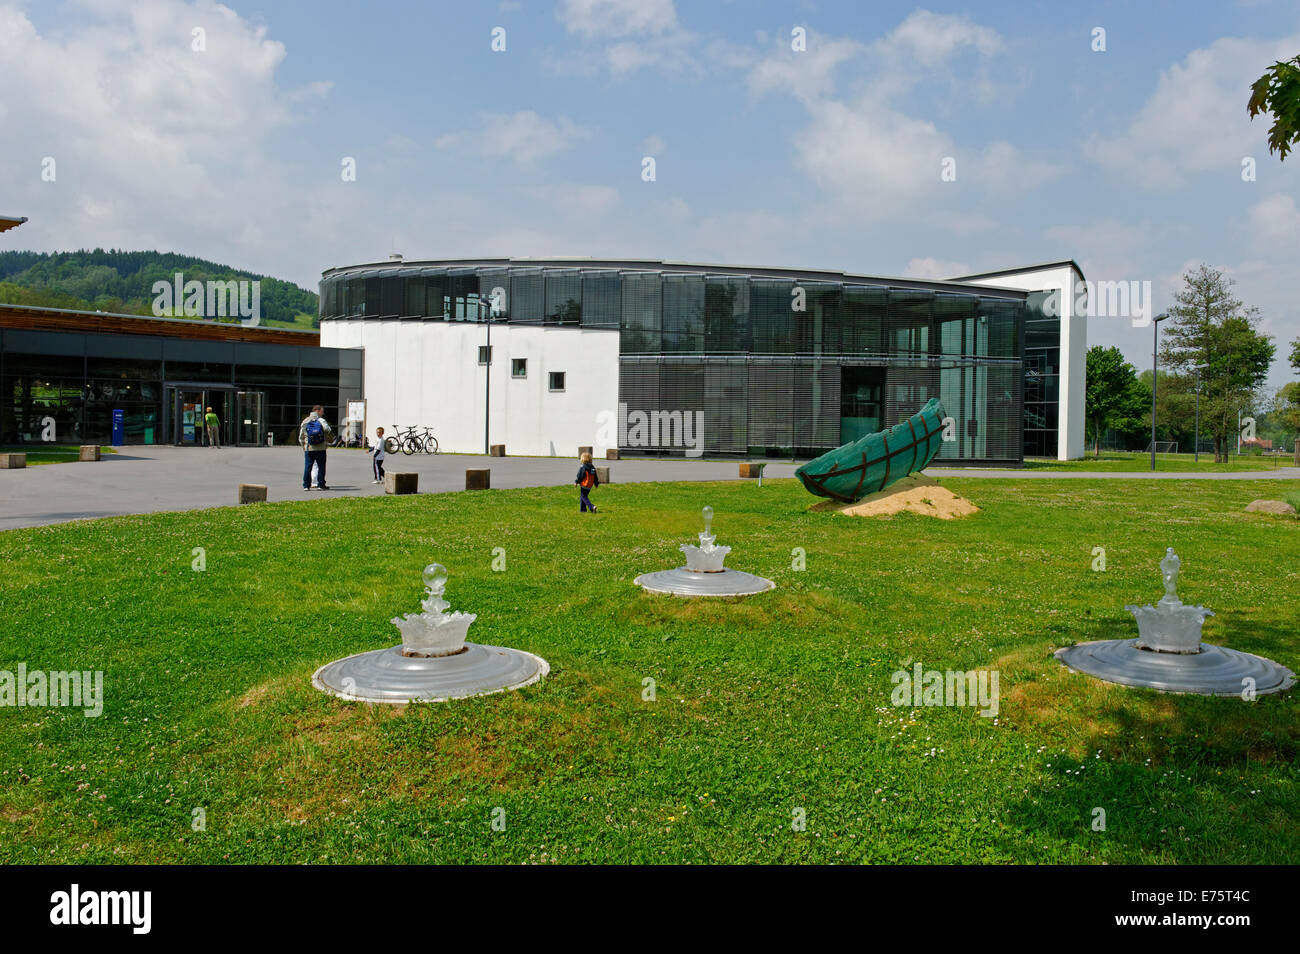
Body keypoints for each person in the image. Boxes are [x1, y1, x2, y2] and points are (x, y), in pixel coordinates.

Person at [298, 405, 334, 491]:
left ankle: (306, 485)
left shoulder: (305, 421)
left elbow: (301, 436)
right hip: (320, 448)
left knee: (308, 467)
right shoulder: (321, 420)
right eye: (322, 411)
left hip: (309, 448)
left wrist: (303, 445)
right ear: (317, 411)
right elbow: (328, 429)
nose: (323, 413)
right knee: (321, 466)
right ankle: (320, 485)